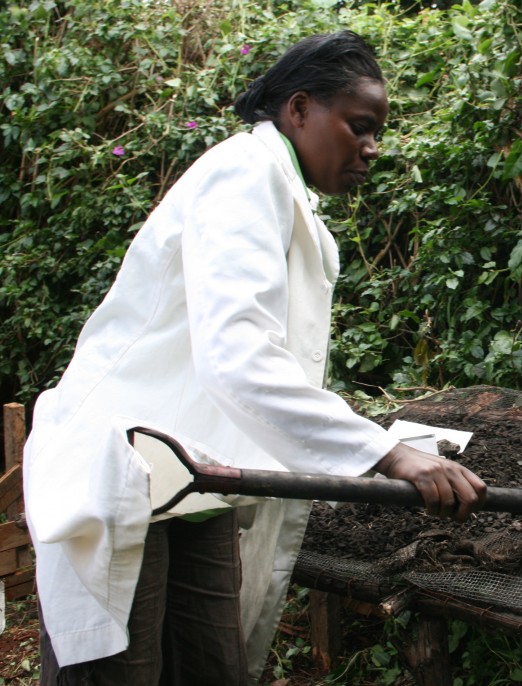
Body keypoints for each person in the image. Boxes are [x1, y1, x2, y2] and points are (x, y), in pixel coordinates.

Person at [22, 31, 487, 685]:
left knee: (216, 667)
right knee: (121, 673)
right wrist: (386, 451)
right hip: (128, 470)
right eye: (359, 126)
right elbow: (236, 356)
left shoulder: (288, 199)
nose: (372, 148)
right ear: (299, 110)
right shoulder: (244, 175)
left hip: (194, 480)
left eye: (377, 132)